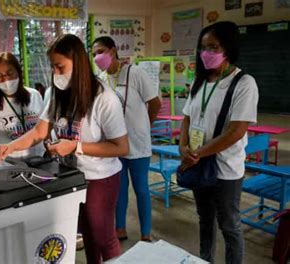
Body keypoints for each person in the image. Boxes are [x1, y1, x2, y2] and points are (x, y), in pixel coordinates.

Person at [0, 34, 129, 263]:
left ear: (79, 63)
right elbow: (39, 132)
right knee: (87, 234)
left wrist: (75, 146)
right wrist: (10, 146)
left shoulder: (104, 98)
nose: (55, 73)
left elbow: (121, 147)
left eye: (60, 66)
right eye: (53, 67)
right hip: (71, 175)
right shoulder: (55, 93)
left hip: (100, 177)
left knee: (103, 236)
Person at [179, 21, 258, 264]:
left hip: (226, 170)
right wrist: (183, 147)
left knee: (230, 225)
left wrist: (198, 152)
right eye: (203, 48)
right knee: (205, 219)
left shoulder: (243, 83)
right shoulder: (199, 82)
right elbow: (187, 118)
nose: (206, 53)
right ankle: (206, 259)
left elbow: (236, 131)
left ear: (228, 48)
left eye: (213, 47)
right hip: (198, 162)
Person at [92, 36, 161, 242]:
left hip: (138, 144)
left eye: (101, 51)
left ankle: (145, 233)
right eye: (94, 53)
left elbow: (155, 103)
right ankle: (119, 228)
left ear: (113, 51)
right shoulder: (101, 79)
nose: (97, 57)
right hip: (114, 146)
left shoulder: (135, 73)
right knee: (119, 190)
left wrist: (145, 126)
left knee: (141, 189)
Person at [0, 52, 45, 158]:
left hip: (38, 159)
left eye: (9, 73)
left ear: (18, 72)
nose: (5, 80)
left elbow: (44, 130)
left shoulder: (35, 95)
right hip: (8, 164)